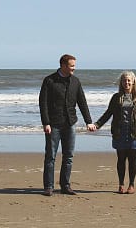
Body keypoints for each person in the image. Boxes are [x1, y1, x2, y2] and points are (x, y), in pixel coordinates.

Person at [39, 54, 97, 196]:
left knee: (68, 156)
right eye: (71, 66)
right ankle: (49, 187)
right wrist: (46, 123)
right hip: (53, 124)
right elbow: (43, 103)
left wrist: (88, 121)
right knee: (50, 156)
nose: (74, 68)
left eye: (74, 66)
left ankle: (65, 185)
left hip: (70, 123)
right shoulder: (49, 81)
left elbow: (82, 102)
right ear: (63, 65)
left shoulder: (75, 82)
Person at [94, 71, 136, 194]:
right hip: (120, 132)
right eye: (124, 80)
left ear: (133, 82)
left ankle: (131, 184)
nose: (127, 83)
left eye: (129, 80)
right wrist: (97, 124)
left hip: (134, 132)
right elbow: (108, 113)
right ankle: (121, 184)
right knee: (121, 159)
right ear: (121, 82)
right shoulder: (116, 97)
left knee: (132, 159)